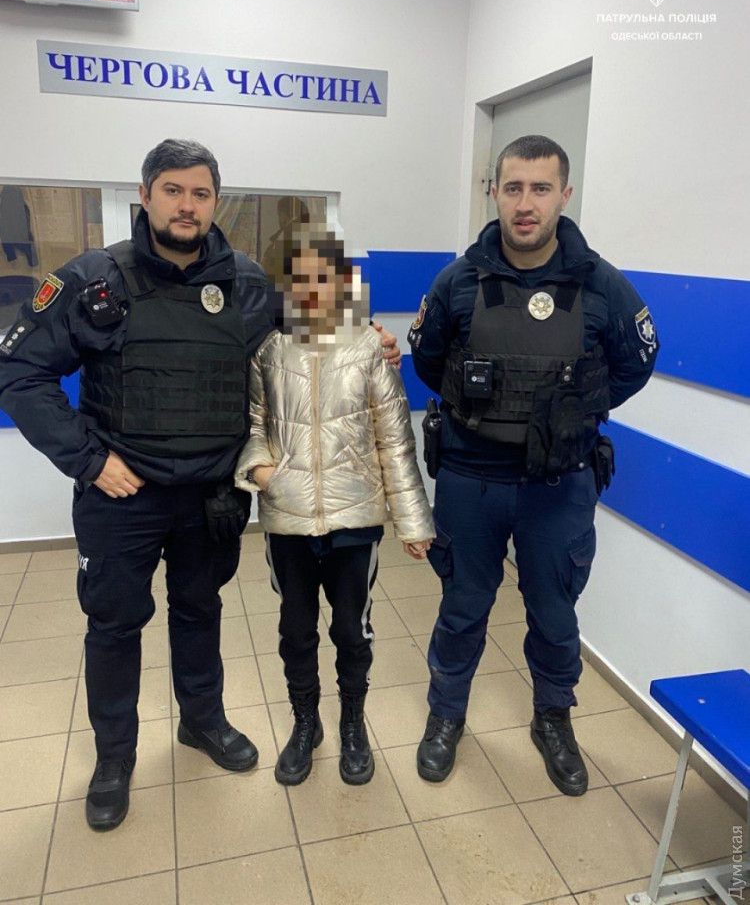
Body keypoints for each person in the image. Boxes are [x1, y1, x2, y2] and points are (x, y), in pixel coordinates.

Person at [0, 139, 402, 831]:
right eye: (173, 191)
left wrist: (370, 339)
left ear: (215, 201)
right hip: (121, 496)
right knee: (114, 625)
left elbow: (308, 338)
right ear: (145, 195)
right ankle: (114, 758)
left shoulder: (246, 283)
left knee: (199, 611)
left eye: (200, 193)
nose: (186, 206)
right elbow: (19, 373)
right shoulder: (94, 279)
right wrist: (89, 461)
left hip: (210, 496)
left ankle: (202, 720)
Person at [408, 135, 658, 794]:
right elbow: (430, 361)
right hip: (471, 478)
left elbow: (636, 363)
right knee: (463, 607)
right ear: (494, 192)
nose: (526, 203)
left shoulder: (601, 284)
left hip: (559, 483)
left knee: (554, 614)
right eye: (513, 187)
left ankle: (553, 719)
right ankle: (446, 715)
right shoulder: (459, 280)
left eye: (540, 188)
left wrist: (571, 411)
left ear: (564, 195)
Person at [235, 225, 434, 787]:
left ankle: (352, 722)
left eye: (323, 277)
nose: (312, 289)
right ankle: (306, 723)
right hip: (288, 519)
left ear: (344, 282)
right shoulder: (270, 352)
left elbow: (395, 441)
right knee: (296, 630)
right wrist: (263, 472)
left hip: (355, 522)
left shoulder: (370, 349)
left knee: (351, 629)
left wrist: (413, 522)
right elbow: (253, 425)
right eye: (299, 279)